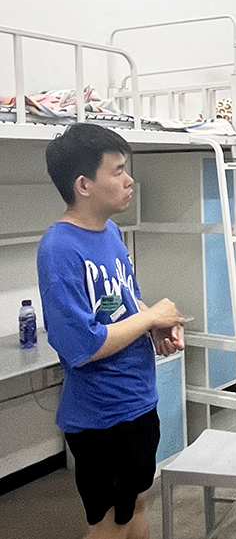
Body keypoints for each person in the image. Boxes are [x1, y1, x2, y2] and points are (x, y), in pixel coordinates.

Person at [37, 123, 185, 539]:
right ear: (83, 185)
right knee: (107, 524)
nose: (129, 180)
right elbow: (81, 345)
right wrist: (150, 319)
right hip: (101, 416)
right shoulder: (59, 248)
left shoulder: (112, 232)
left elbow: (125, 300)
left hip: (138, 399)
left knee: (137, 503)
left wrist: (153, 325)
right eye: (118, 170)